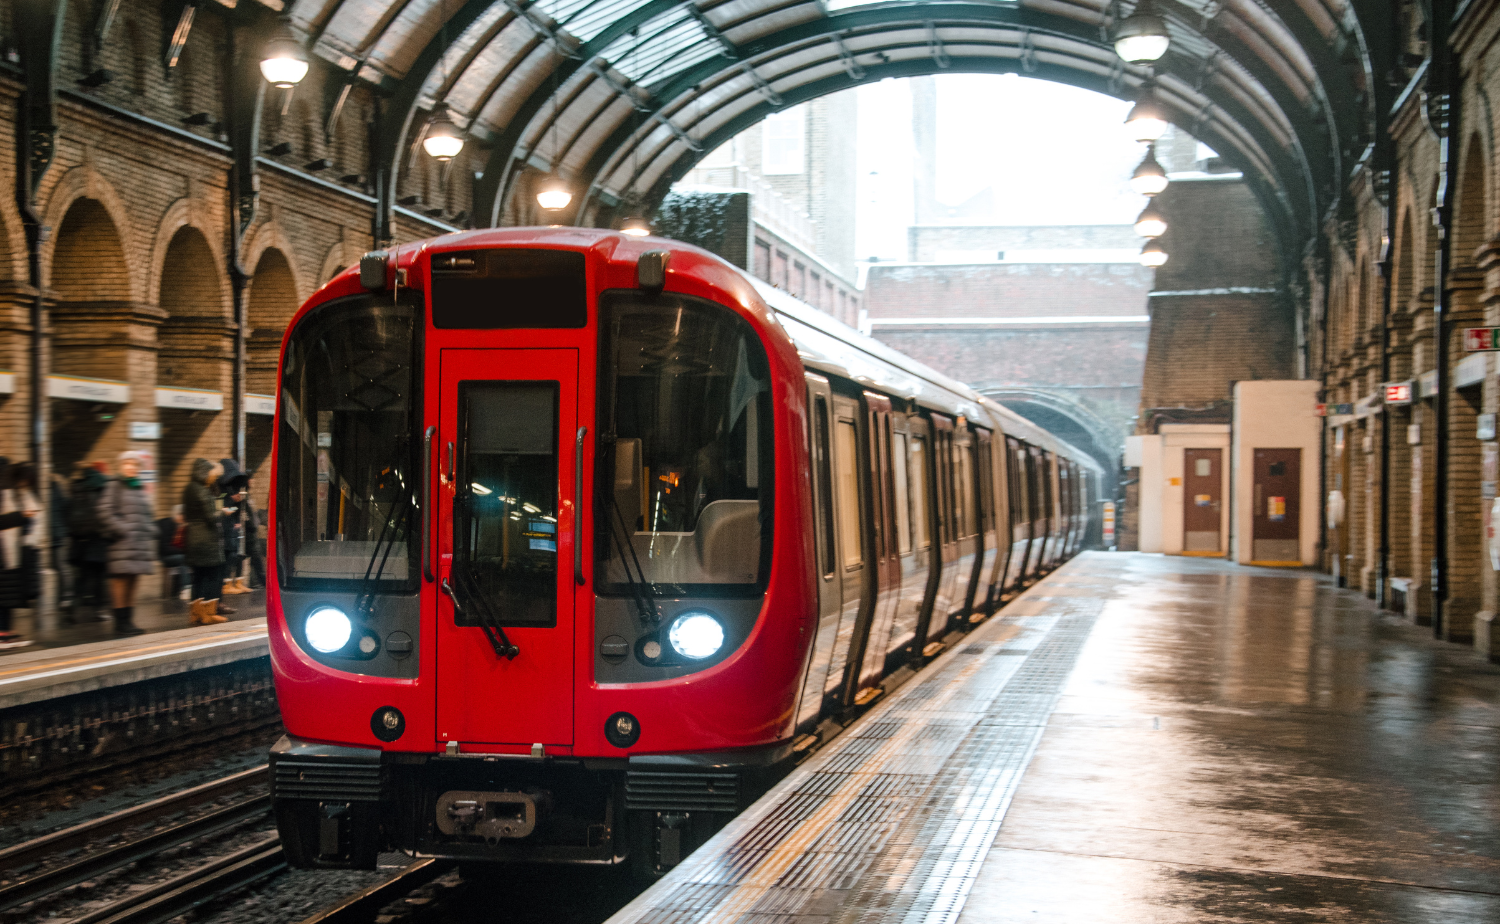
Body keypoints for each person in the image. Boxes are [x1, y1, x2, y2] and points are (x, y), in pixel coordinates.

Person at [97, 451, 155, 636]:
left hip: (137, 544)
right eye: (127, 464)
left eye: (134, 464)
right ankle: (120, 624)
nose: (130, 467)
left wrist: (151, 530)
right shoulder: (115, 485)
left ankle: (128, 622)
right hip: (121, 544)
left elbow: (145, 514)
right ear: (121, 466)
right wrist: (122, 528)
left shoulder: (137, 487)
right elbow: (104, 510)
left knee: (132, 582)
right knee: (120, 584)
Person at [182, 459, 228, 625]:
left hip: (193, 539)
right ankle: (209, 613)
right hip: (207, 541)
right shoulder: (202, 491)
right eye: (212, 475)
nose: (213, 478)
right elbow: (211, 517)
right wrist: (222, 512)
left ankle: (195, 614)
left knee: (198, 578)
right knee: (212, 577)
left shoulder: (188, 488)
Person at [0, 458, 39, 649]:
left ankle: (6, 630)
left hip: (10, 550)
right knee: (4, 593)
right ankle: (2, 632)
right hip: (3, 550)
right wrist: (21, 517)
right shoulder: (5, 492)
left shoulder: (12, 492)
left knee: (8, 593)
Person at [68, 461, 110, 621]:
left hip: (80, 541)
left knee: (81, 577)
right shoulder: (102, 486)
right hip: (97, 540)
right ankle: (99, 611)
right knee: (99, 577)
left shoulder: (76, 487)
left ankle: (73, 607)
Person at [218, 459, 252, 597]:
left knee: (237, 554)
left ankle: (236, 582)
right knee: (230, 553)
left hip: (233, 525)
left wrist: (237, 518)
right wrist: (233, 501)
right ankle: (226, 583)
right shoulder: (222, 490)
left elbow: (235, 508)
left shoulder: (233, 488)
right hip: (225, 526)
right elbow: (221, 508)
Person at [10, 463, 41, 608]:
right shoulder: (15, 494)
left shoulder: (28, 493)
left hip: (29, 541)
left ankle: (27, 597)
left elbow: (37, 515)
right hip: (20, 541)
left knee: (29, 576)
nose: (24, 483)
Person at [157, 505, 187, 599]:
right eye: (183, 516)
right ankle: (185, 588)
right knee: (184, 559)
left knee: (190, 559)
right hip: (165, 556)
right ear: (178, 515)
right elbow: (165, 548)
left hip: (176, 554)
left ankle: (176, 592)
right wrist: (182, 551)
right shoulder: (167, 524)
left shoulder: (179, 526)